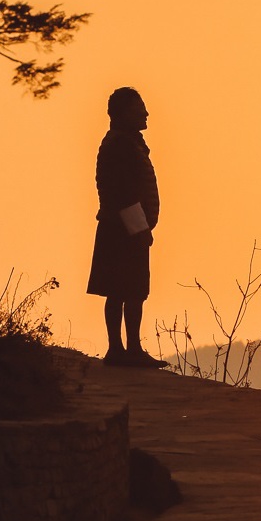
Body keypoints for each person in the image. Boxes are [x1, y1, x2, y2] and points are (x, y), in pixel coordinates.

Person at [86, 87, 167, 367]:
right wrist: (139, 228)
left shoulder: (124, 143)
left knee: (125, 290)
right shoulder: (120, 145)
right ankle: (124, 350)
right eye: (138, 109)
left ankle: (124, 349)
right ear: (123, 114)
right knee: (127, 290)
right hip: (123, 229)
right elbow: (122, 193)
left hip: (120, 227)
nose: (145, 113)